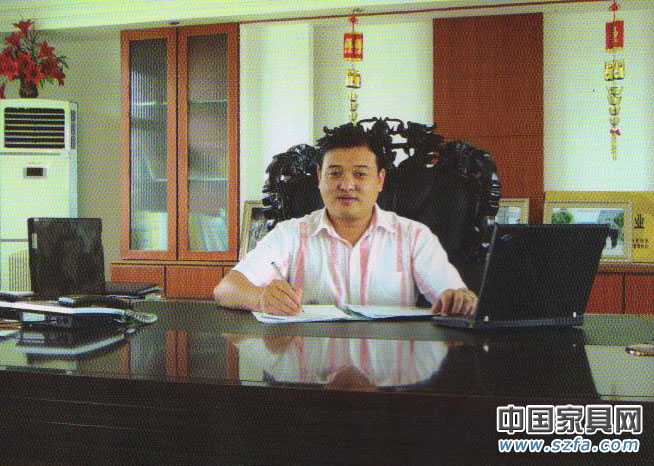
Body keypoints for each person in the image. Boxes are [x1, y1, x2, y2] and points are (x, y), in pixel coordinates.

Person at [214, 123, 477, 316]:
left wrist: (458, 299)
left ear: (380, 180)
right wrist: (260, 297)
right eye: (335, 173)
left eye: (360, 174)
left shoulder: (414, 236)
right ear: (319, 178)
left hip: (389, 369)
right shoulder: (290, 234)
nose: (347, 185)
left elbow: (452, 294)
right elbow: (226, 288)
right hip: (310, 367)